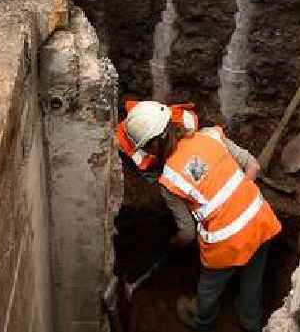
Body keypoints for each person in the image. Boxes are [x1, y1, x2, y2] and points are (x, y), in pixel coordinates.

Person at [116, 100, 282, 332]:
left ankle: (202, 322)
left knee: (208, 291)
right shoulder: (210, 135)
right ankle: (250, 321)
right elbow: (253, 166)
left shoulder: (169, 180)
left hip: (225, 242)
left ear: (154, 145)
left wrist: (175, 242)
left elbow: (187, 233)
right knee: (252, 281)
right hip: (260, 219)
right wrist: (234, 199)